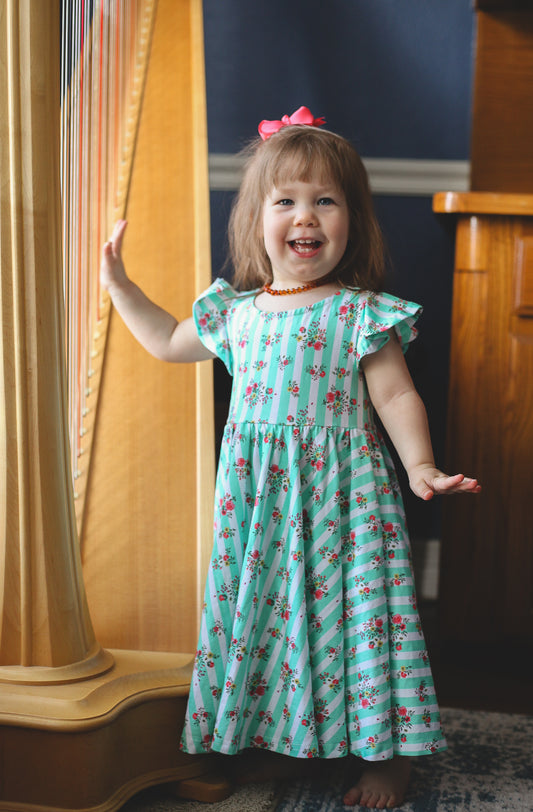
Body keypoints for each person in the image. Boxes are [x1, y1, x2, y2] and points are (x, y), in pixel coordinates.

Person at [101, 106, 481, 809]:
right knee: (271, 620)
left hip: (345, 500)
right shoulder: (236, 314)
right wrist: (121, 287)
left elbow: (396, 395)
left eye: (325, 201)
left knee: (362, 622)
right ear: (256, 221)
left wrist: (420, 466)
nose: (305, 216)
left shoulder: (360, 312)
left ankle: (389, 758)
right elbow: (165, 340)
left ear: (352, 221)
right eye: (286, 202)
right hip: (262, 507)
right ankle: (283, 741)